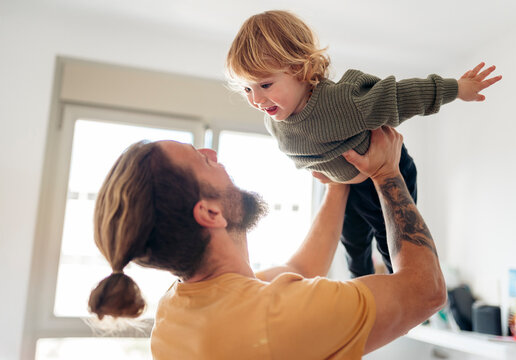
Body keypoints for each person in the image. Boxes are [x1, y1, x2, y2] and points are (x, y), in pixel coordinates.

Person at [88, 126, 446, 359]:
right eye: (201, 159)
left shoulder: (176, 313)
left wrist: (339, 185)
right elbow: (425, 290)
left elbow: (299, 271)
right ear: (210, 214)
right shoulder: (275, 318)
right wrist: (386, 172)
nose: (211, 154)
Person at [226, 10, 501, 277]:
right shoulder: (274, 121)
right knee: (353, 247)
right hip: (348, 185)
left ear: (299, 69)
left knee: (390, 243)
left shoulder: (341, 103)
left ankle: (404, 292)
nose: (256, 100)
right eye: (247, 88)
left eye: (265, 85)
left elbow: (400, 96)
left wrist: (456, 88)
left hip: (384, 173)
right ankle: (365, 294)